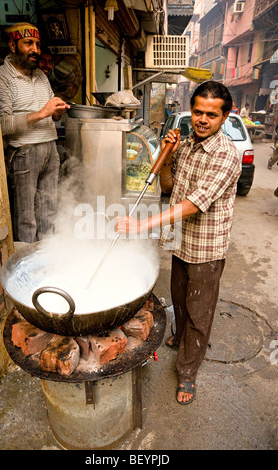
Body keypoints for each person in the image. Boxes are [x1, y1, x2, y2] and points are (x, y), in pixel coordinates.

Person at [116, 81, 242, 405]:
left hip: (206, 247)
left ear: (224, 117)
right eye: (198, 111)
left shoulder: (226, 154)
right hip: (181, 241)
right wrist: (167, 153)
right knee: (180, 300)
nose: (202, 119)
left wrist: (141, 225)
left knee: (200, 313)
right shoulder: (186, 144)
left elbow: (194, 204)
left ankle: (188, 372)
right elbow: (169, 186)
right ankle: (181, 338)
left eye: (211, 115)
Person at [0, 22, 70, 243]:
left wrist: (56, 112)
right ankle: (26, 271)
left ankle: (45, 263)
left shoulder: (40, 75)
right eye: (28, 43)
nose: (35, 50)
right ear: (12, 45)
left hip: (50, 149)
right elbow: (3, 124)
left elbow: (50, 114)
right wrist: (41, 113)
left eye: (37, 44)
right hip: (23, 153)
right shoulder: (2, 77)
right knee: (26, 218)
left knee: (49, 213)